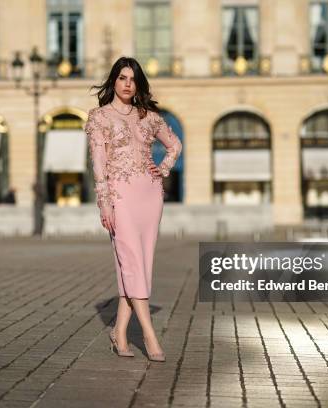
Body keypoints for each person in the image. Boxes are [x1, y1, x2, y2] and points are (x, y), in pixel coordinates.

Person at [85, 57, 182, 362]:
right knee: (132, 263)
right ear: (113, 80)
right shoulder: (99, 118)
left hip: (150, 197)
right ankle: (150, 336)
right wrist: (105, 203)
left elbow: (175, 145)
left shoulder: (149, 116)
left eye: (133, 79)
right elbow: (98, 166)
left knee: (141, 265)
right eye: (122, 77)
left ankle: (119, 333)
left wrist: (162, 169)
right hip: (120, 197)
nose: (128, 84)